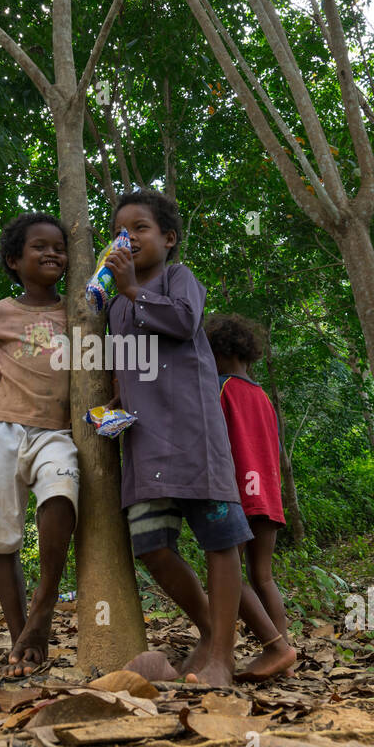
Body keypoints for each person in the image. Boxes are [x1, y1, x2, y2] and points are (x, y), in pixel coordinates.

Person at [103, 189, 264, 688]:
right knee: (151, 544)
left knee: (220, 541)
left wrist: (133, 289)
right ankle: (212, 631)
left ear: (169, 239)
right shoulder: (111, 309)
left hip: (193, 433)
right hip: (145, 443)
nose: (127, 238)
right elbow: (122, 368)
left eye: (140, 228)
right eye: (119, 231)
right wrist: (109, 410)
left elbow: (184, 322)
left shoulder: (179, 280)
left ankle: (221, 658)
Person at [0, 213, 78, 678]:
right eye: (39, 247)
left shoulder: (79, 308)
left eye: (59, 247)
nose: (51, 254)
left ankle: (44, 605)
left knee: (61, 494)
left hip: (57, 431)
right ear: (13, 260)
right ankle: (20, 635)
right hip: (0, 429)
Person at [204, 313, 297, 680]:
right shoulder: (262, 396)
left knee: (227, 575)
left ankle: (272, 646)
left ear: (217, 352)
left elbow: (215, 441)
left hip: (237, 493)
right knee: (264, 577)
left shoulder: (220, 388)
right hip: (268, 496)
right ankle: (284, 655)